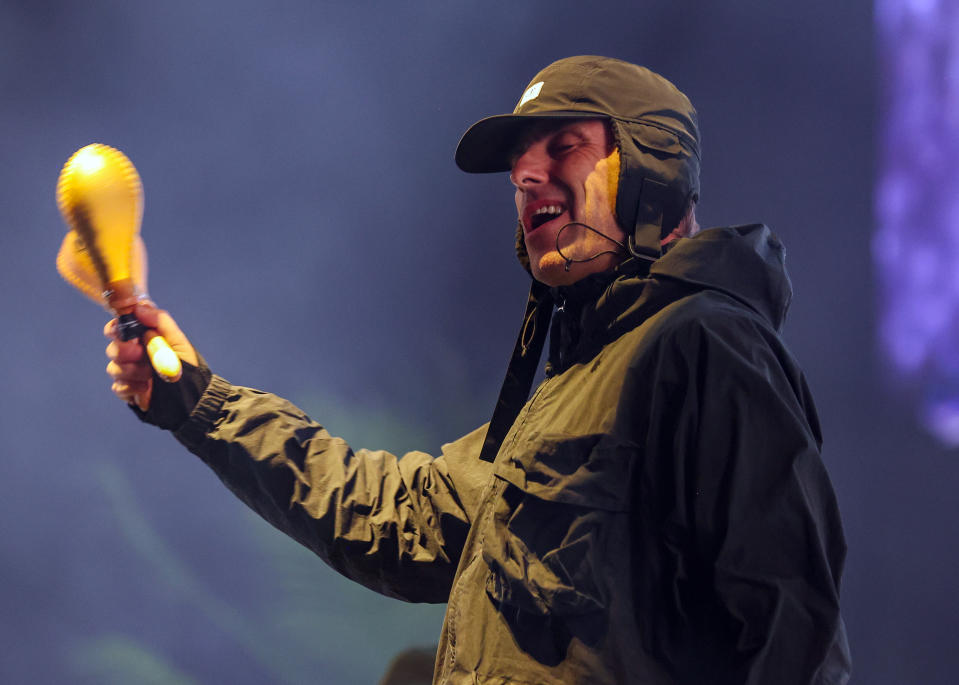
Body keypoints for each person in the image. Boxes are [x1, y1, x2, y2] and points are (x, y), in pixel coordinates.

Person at [105, 56, 850, 684]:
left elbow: (793, 635)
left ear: (652, 165)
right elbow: (396, 517)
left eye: (562, 146)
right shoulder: (571, 390)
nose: (527, 176)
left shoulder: (702, 343)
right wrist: (198, 401)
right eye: (519, 167)